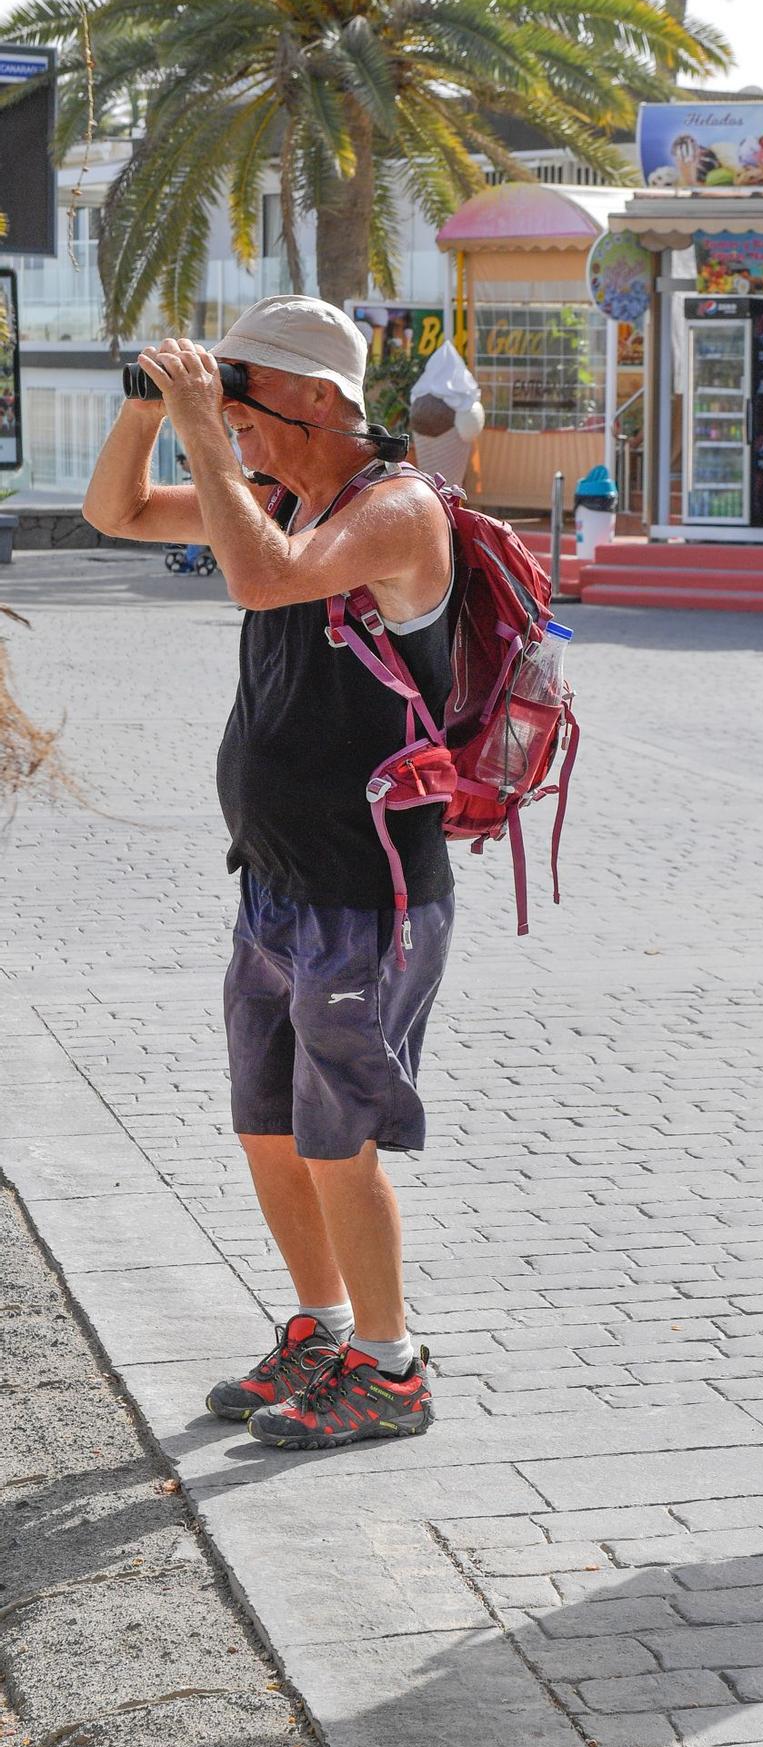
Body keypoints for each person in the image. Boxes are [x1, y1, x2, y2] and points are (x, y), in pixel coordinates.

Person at [83, 295, 455, 1449]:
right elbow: (118, 510)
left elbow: (259, 577)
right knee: (269, 1126)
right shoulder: (285, 497)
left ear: (312, 396)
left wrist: (204, 423)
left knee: (336, 1132)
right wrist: (157, 410)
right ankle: (324, 1327)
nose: (233, 427)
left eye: (244, 401)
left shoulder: (393, 510)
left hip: (367, 888)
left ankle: (391, 1368)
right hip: (276, 879)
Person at [408, 337, 484, 489]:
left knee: (432, 483)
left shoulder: (421, 396)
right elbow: (469, 432)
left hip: (424, 416)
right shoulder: (461, 400)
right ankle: (447, 507)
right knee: (448, 488)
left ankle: (437, 504)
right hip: (454, 423)